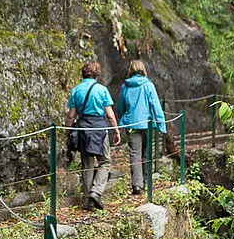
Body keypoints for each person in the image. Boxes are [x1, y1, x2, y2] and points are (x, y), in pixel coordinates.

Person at [65, 61, 121, 211]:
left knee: (87, 164)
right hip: (100, 129)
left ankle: (87, 200)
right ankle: (95, 193)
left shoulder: (76, 90)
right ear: (97, 74)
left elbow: (71, 116)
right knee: (105, 162)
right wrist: (116, 131)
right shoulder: (102, 90)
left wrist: (68, 132)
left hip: (83, 129)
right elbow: (109, 115)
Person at [116, 60, 166, 196]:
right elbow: (156, 105)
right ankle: (146, 181)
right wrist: (162, 125)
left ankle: (137, 185)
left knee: (135, 154)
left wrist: (124, 118)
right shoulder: (148, 85)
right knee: (147, 153)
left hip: (132, 124)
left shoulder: (125, 87)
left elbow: (120, 106)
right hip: (148, 125)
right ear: (143, 69)